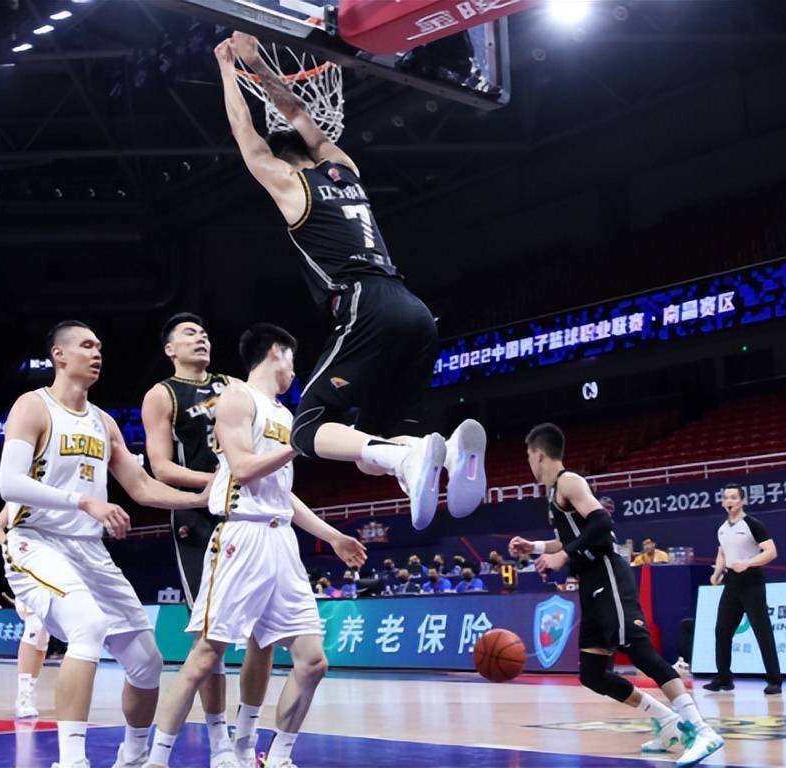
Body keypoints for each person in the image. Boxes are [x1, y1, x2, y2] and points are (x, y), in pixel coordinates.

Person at [214, 31, 487, 531]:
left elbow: (245, 136)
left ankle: (411, 460)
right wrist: (258, 63)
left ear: (283, 160)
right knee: (369, 451)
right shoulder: (345, 169)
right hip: (415, 310)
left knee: (307, 429)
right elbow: (297, 112)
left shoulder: (289, 184)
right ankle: (445, 456)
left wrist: (229, 69)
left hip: (366, 304)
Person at [147, 323, 367, 768]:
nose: (294, 370)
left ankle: (275, 757)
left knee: (312, 661)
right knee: (206, 654)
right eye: (292, 359)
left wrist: (333, 535)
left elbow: (282, 492)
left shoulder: (286, 415)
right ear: (276, 353)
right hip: (240, 536)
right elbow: (245, 468)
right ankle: (156, 759)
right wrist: (297, 449)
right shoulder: (236, 397)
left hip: (281, 539)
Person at [0, 319, 210, 768]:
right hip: (36, 541)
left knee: (147, 663)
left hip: (89, 553)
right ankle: (70, 761)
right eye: (86, 345)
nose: (96, 353)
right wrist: (83, 502)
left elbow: (143, 488)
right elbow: (8, 483)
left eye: (99, 347)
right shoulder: (32, 407)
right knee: (87, 626)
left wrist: (204, 496)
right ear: (59, 354)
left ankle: (132, 756)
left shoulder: (103, 421)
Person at [511, 424, 723, 767]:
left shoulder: (569, 481)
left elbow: (602, 524)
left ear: (538, 455)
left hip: (608, 574)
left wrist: (563, 557)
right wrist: (534, 547)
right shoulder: (553, 496)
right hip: (590, 582)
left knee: (639, 650)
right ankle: (668, 720)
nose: (528, 464)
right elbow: (570, 538)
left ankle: (701, 730)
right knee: (592, 673)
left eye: (528, 456)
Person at [140, 312, 275, 765]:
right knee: (211, 638)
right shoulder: (163, 395)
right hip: (197, 517)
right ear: (169, 349)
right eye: (188, 334)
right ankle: (218, 741)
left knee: (262, 631)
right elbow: (160, 467)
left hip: (247, 513)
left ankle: (245, 736)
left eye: (204, 332)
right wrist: (215, 483)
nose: (200, 338)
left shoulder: (235, 386)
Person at [705, 483, 782, 695]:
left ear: (742, 501)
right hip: (731, 583)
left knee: (762, 631)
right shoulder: (722, 528)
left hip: (751, 581)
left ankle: (774, 680)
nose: (729, 501)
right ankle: (724, 678)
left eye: (733, 497)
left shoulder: (752, 524)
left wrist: (748, 563)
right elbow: (722, 552)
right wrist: (717, 572)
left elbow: (771, 551)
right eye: (726, 497)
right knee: (722, 630)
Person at [0, 503, 50, 719]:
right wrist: (9, 546)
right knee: (34, 626)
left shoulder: (54, 497)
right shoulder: (16, 496)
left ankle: (30, 691)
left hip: (52, 569)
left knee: (44, 636)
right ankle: (23, 695)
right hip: (27, 569)